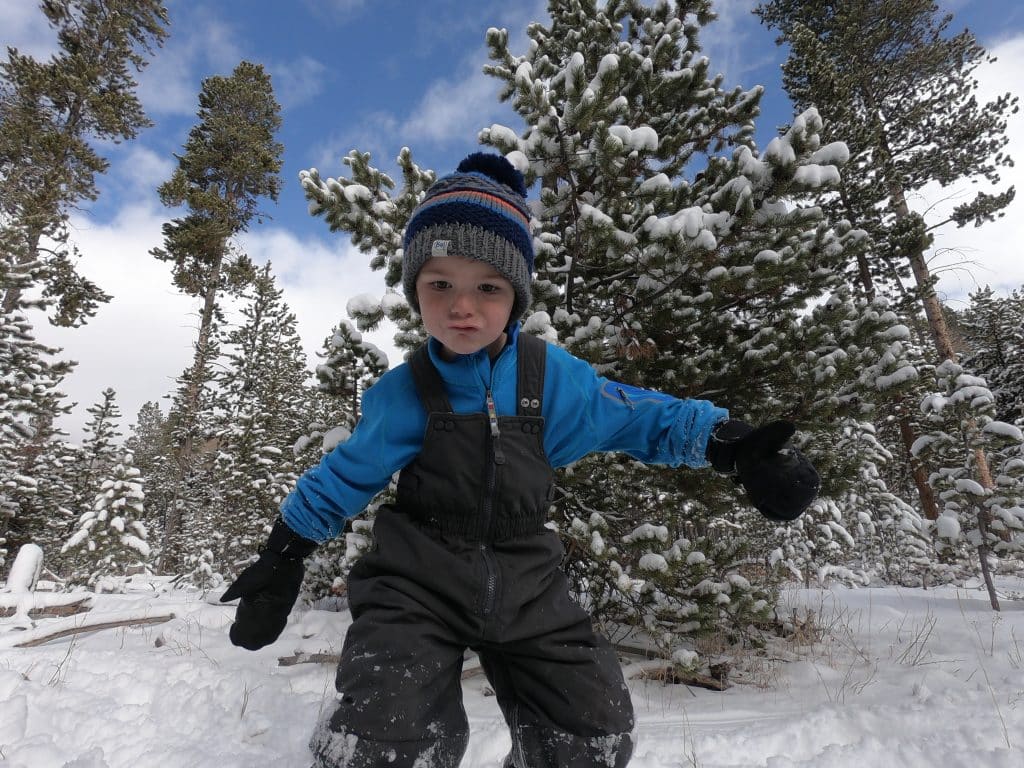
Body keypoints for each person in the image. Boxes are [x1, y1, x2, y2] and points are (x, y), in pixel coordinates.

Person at [220, 153, 820, 768]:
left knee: (590, 723)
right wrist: (284, 551)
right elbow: (344, 476)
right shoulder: (407, 392)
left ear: (515, 293)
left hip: (530, 583)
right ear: (415, 291)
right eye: (440, 284)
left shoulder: (549, 379)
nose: (462, 306)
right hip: (416, 584)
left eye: (487, 286)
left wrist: (727, 443)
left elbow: (635, 414)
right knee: (386, 725)